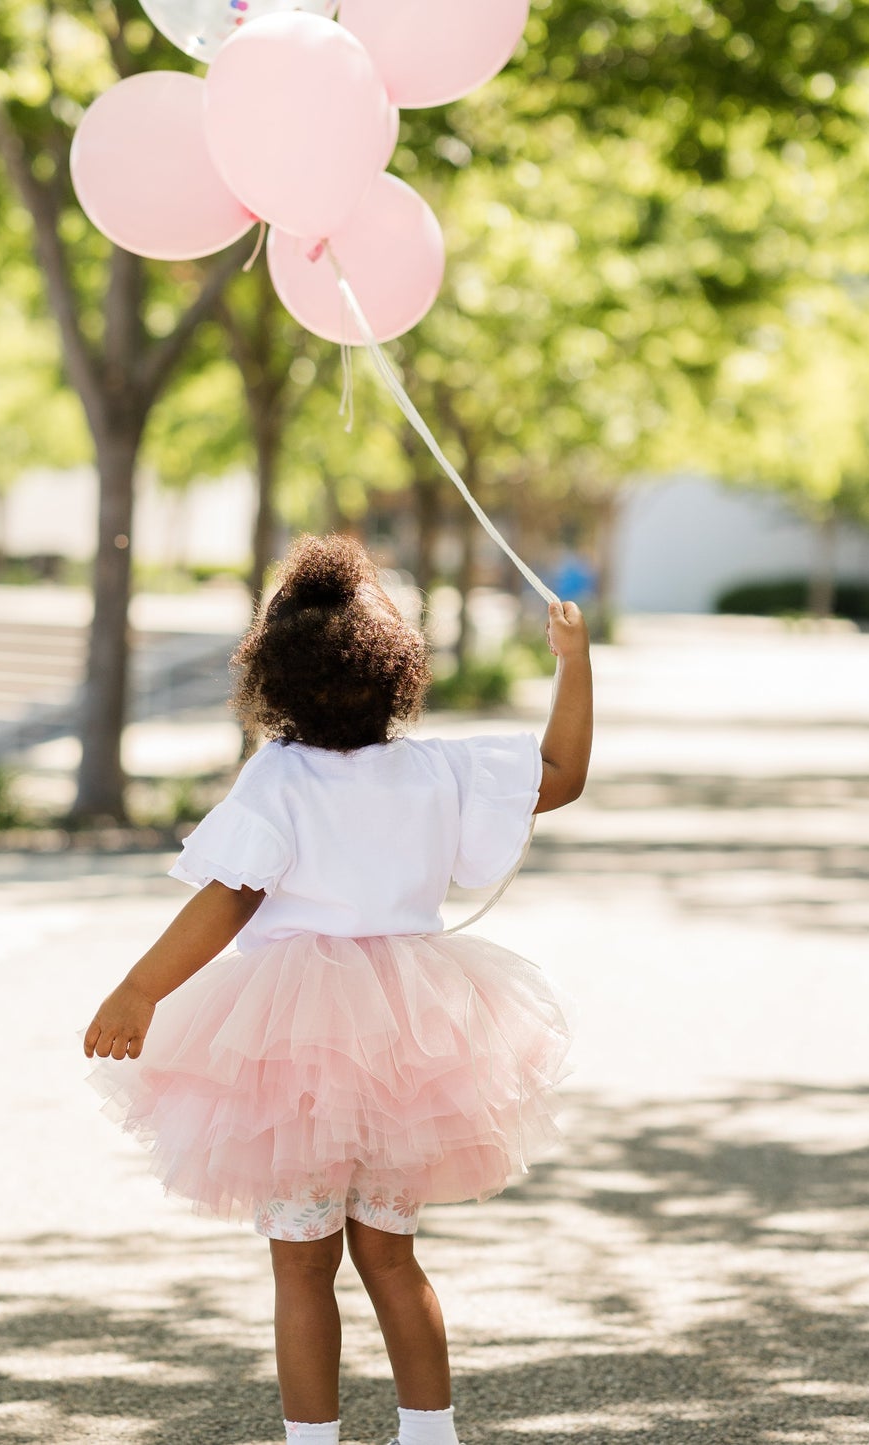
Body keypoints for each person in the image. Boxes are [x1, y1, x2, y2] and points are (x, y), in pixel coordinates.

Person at [83, 533, 593, 1445]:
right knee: (391, 1259)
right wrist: (573, 664)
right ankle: (428, 1435)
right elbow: (560, 776)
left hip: (290, 1040)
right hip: (411, 1034)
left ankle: (313, 1441)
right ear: (395, 672)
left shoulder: (277, 776)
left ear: (272, 675)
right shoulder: (437, 769)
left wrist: (140, 987)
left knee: (300, 1268)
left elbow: (230, 897)